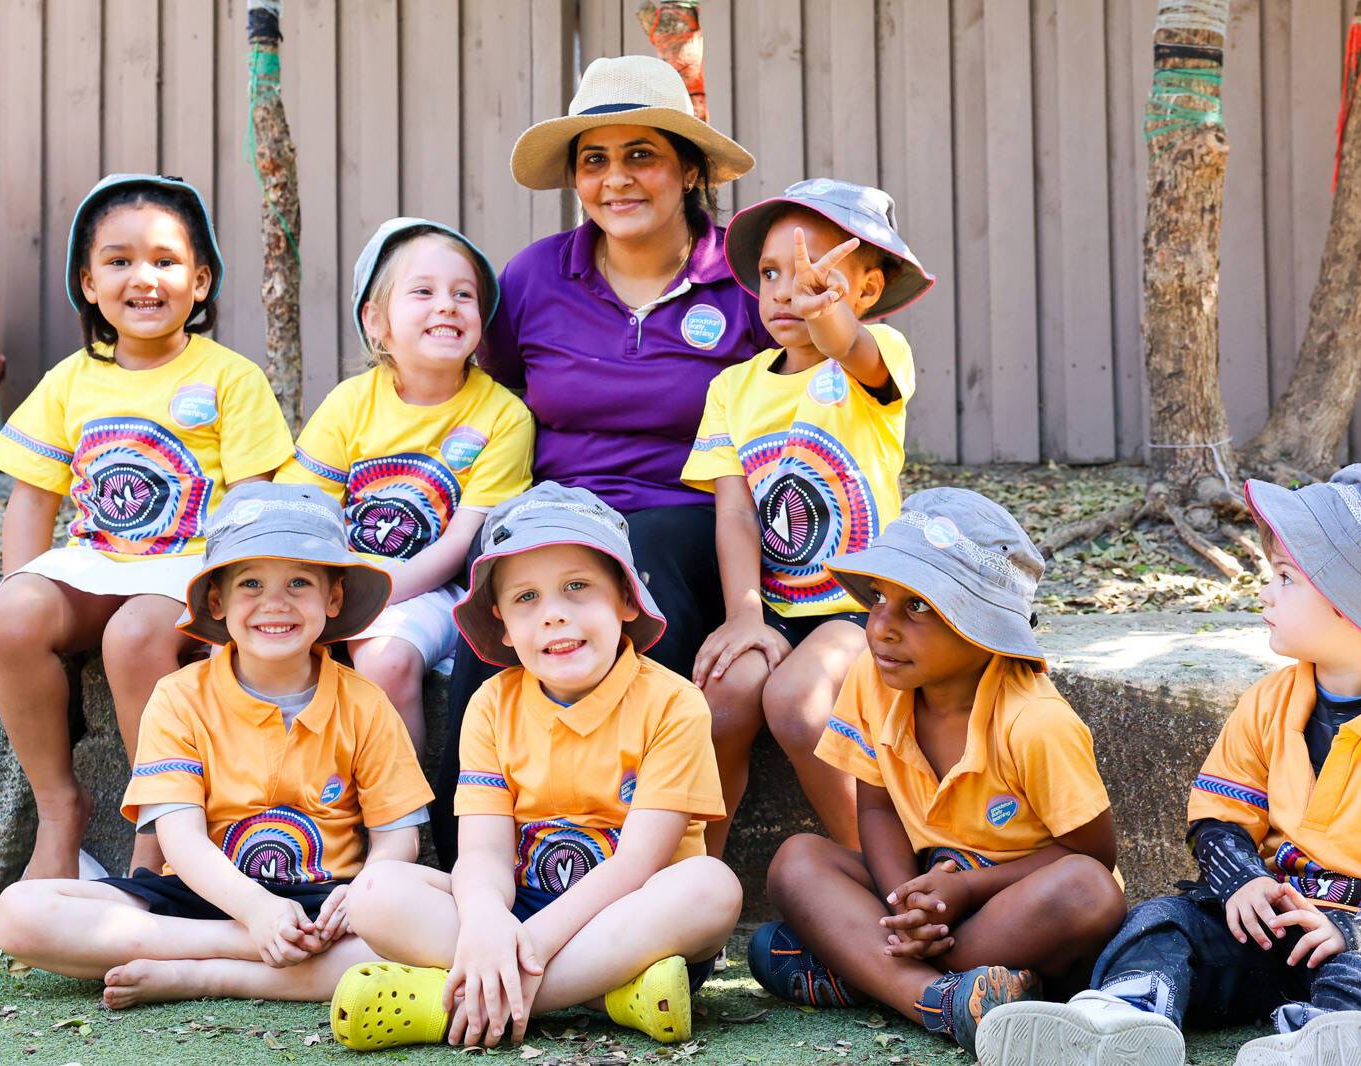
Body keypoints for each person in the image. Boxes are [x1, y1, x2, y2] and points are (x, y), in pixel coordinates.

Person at [975, 465, 1361, 1066]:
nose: (1264, 592)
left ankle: (1328, 1040)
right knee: (1163, 921)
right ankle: (1122, 1020)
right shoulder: (1267, 703)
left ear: (1354, 604)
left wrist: (1357, 931)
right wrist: (1243, 882)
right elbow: (1218, 821)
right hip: (1271, 932)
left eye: (1285, 578)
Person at [433, 55, 769, 865]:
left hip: (687, 516)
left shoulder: (747, 281)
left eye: (640, 155)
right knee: (503, 592)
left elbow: (792, 426)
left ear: (688, 169)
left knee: (635, 569)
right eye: (595, 160)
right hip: (554, 511)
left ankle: (629, 862)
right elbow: (498, 395)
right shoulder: (536, 276)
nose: (616, 179)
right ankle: (460, 861)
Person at [0, 483, 434, 1009]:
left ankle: (204, 976)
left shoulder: (365, 702)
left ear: (333, 598)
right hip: (200, 898)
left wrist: (366, 887)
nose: (275, 603)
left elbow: (395, 837)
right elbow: (181, 841)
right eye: (251, 583)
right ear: (218, 600)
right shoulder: (179, 697)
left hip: (322, 900)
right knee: (19, 912)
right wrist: (256, 914)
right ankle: (246, 951)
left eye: (299, 582)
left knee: (410, 939)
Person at [338, 482, 741, 1051]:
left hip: (630, 921)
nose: (553, 614)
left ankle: (456, 1003)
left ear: (627, 600)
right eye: (526, 598)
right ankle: (613, 998)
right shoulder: (492, 704)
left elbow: (638, 865)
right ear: (501, 622)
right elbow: (482, 853)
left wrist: (519, 948)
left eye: (577, 587)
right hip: (518, 907)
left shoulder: (673, 703)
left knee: (711, 887)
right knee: (376, 891)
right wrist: (483, 924)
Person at [0, 173, 293, 880]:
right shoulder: (71, 380)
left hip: (191, 569)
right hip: (98, 563)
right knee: (10, 613)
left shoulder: (229, 379)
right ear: (88, 283)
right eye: (119, 261)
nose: (143, 278)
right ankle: (61, 809)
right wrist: (23, 593)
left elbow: (252, 507)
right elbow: (32, 502)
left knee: (133, 635)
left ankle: (161, 827)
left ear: (201, 280)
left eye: (166, 261)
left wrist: (237, 607)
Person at [749, 488, 1128, 1057]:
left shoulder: (1036, 722)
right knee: (797, 861)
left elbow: (1093, 857)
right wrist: (906, 903)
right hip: (925, 890)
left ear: (985, 629)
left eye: (918, 607)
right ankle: (949, 1000)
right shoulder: (875, 679)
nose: (881, 628)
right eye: (879, 598)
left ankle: (867, 973)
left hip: (1014, 902)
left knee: (1088, 893)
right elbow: (874, 807)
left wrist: (965, 888)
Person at [682, 178, 934, 856]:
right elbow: (734, 510)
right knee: (721, 700)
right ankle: (690, 896)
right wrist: (743, 615)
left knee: (796, 703)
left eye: (817, 274)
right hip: (774, 608)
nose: (790, 291)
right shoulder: (732, 389)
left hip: (864, 608)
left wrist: (832, 319)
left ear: (868, 292)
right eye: (772, 273)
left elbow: (857, 352)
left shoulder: (875, 363)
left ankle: (887, 879)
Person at [277, 218, 533, 753]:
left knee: (386, 658)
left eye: (464, 295)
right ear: (377, 322)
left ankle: (399, 820)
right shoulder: (351, 403)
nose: (447, 305)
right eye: (423, 291)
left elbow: (462, 543)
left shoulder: (502, 416)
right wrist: (326, 589)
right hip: (338, 577)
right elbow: (304, 510)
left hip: (437, 587)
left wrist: (379, 593)